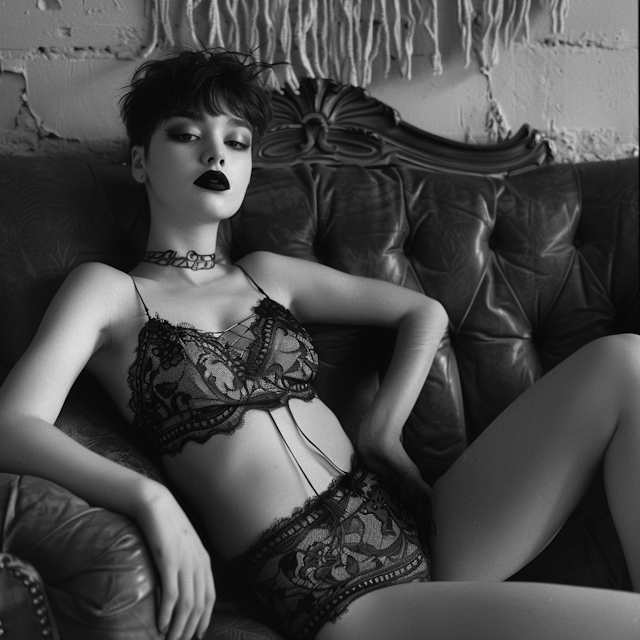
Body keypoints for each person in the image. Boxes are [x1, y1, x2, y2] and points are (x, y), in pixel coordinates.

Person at [0, 48, 639, 640]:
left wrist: (382, 433)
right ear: (140, 161)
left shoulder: (267, 275)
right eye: (187, 135)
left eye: (236, 142)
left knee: (625, 361)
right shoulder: (108, 293)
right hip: (338, 599)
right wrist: (150, 498)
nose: (215, 154)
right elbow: (12, 425)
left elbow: (423, 312)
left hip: (421, 529)